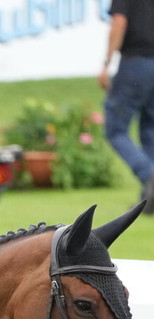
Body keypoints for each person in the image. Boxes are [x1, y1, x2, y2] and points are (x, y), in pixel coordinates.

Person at [99, 0, 154, 211]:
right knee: (150, 130)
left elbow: (119, 22)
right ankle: (150, 199)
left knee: (115, 129)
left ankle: (149, 175)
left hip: (135, 64)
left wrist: (106, 63)